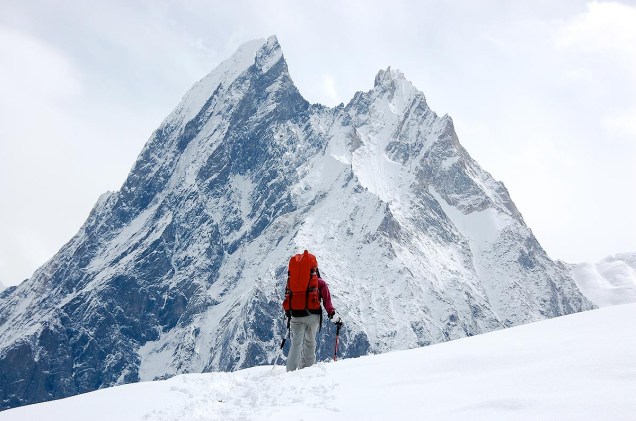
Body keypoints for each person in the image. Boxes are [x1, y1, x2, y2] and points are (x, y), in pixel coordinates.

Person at [286, 267, 342, 372]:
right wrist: (333, 315)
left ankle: (290, 371)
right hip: (313, 316)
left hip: (295, 316)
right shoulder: (320, 282)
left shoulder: (293, 281)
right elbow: (327, 303)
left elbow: (288, 298)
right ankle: (307, 370)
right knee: (310, 342)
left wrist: (289, 314)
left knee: (296, 343)